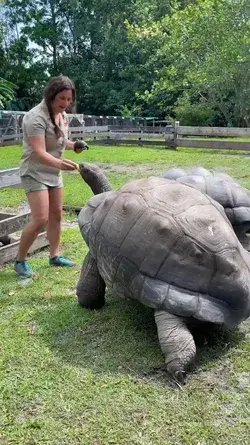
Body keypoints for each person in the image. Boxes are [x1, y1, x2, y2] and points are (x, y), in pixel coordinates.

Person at [14, 75, 87, 278]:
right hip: (35, 172)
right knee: (40, 219)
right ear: (51, 95)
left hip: (53, 171)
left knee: (57, 215)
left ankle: (54, 256)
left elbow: (60, 142)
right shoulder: (35, 117)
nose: (66, 103)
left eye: (69, 99)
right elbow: (39, 152)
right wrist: (63, 165)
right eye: (61, 98)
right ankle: (20, 261)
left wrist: (75, 146)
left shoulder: (61, 116)